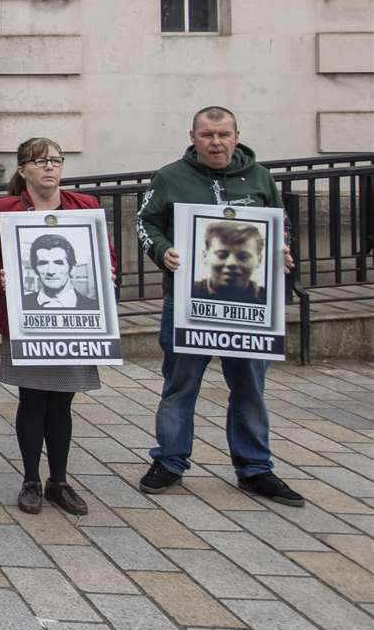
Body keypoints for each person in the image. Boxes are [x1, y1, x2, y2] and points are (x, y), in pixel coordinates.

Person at [136, 106, 304, 506]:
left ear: (236, 135)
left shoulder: (260, 177)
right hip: (188, 301)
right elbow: (146, 222)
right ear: (192, 136)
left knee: (250, 385)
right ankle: (170, 461)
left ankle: (255, 468)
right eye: (207, 135)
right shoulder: (170, 177)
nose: (216, 142)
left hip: (248, 305)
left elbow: (280, 224)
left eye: (223, 135)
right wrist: (164, 252)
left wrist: (282, 247)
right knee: (180, 384)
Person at [0, 137, 114, 516]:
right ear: (23, 170)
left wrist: (108, 271)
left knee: (63, 402)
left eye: (56, 161)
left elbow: (104, 253)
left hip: (72, 326)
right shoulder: (5, 209)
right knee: (33, 400)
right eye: (41, 162)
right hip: (27, 323)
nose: (50, 168)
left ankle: (60, 480)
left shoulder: (84, 206)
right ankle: (31, 480)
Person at [193, 221, 266, 304]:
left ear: (259, 260)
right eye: (221, 255)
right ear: (205, 256)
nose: (231, 263)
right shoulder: (185, 290)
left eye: (243, 257)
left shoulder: (271, 299)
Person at [24, 233, 98, 311]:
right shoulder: (21, 304)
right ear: (35, 270)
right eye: (43, 263)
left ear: (72, 268)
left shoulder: (94, 307)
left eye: (58, 263)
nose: (51, 271)